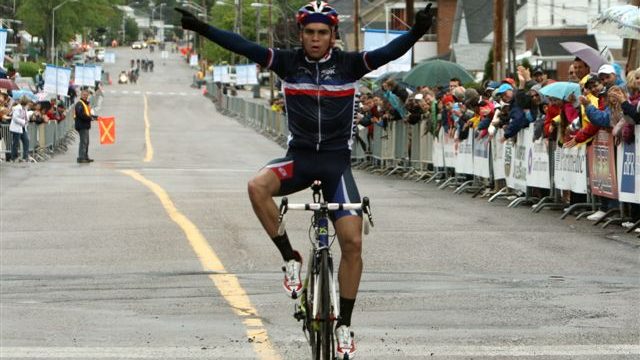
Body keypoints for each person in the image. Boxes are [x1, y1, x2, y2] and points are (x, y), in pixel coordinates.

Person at [176, 2, 434, 358]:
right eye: (310, 33)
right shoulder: (286, 62)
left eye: (322, 33)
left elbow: (390, 51)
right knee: (256, 186)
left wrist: (417, 31)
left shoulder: (349, 65)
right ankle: (290, 257)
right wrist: (204, 29)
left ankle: (343, 323)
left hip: (335, 166)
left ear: (332, 35)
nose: (315, 39)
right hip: (298, 160)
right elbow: (242, 45)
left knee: (353, 243)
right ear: (301, 35)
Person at [75, 89, 95, 163]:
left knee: (86, 142)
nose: (85, 96)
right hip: (81, 126)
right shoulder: (79, 104)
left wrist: (95, 117)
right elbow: (81, 115)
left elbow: (87, 114)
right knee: (83, 142)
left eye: (86, 95)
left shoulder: (85, 104)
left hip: (85, 126)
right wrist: (90, 118)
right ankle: (81, 157)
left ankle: (85, 156)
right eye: (84, 95)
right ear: (81, 95)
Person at [9, 96, 30, 162]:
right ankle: (13, 157)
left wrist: (27, 120)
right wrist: (23, 121)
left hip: (23, 127)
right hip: (16, 128)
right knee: (16, 143)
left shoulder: (25, 108)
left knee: (26, 140)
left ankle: (25, 157)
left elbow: (26, 117)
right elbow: (15, 118)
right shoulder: (17, 108)